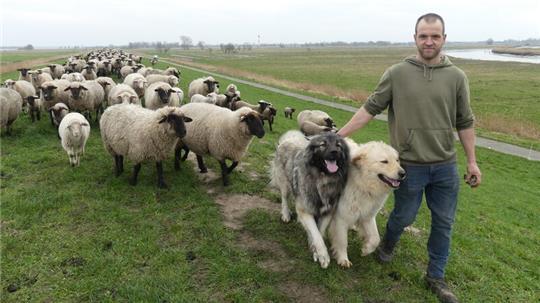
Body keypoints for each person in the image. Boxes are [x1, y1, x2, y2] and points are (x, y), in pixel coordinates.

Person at [337, 13, 482, 303]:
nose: (429, 41)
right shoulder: (397, 73)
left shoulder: (457, 77)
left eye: (435, 36)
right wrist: (337, 136)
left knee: (444, 222)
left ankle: (436, 276)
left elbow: (465, 121)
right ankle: (387, 245)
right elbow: (369, 109)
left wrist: (472, 161)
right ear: (415, 37)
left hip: (445, 167)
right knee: (403, 216)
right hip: (407, 168)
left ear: (444, 38)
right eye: (423, 36)